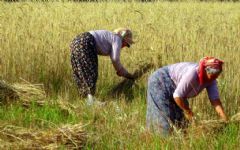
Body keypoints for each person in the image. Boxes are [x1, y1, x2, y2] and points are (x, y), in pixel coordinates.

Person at [146, 56, 228, 136]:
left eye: (216, 75)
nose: (214, 78)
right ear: (206, 70)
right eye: (213, 75)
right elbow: (177, 96)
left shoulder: (212, 79)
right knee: (164, 120)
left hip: (176, 90)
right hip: (160, 81)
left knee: (181, 124)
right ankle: (160, 140)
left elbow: (215, 100)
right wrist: (189, 112)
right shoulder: (193, 74)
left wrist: (224, 119)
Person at [70, 28, 135, 101]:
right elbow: (115, 59)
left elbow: (114, 59)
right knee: (91, 71)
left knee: (80, 72)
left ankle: (85, 99)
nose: (125, 46)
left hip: (76, 41)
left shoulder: (111, 36)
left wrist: (120, 70)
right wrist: (126, 74)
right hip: (86, 42)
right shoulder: (118, 39)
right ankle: (90, 102)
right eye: (127, 44)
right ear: (124, 39)